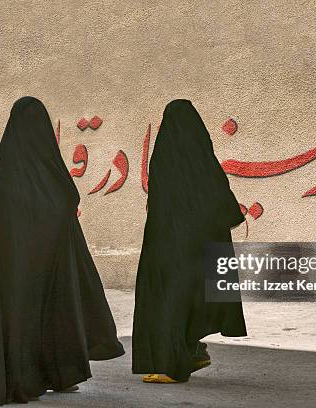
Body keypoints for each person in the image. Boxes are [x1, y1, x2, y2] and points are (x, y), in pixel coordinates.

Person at [0, 97, 124, 406]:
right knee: (50, 311)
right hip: (48, 261)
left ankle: (27, 374)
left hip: (14, 265)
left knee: (19, 315)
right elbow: (68, 198)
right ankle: (52, 372)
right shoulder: (50, 169)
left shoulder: (7, 167)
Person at [132, 99, 247, 384]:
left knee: (169, 302)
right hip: (202, 247)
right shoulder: (202, 158)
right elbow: (221, 201)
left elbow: (160, 204)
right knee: (193, 299)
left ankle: (173, 366)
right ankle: (194, 351)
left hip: (169, 245)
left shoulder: (163, 157)